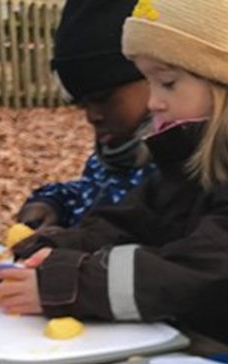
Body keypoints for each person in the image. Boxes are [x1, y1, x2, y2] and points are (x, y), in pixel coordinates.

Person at [0, 0, 228, 360]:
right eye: (150, 82)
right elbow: (133, 219)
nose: (154, 101)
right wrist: (54, 247)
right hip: (179, 347)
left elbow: (193, 275)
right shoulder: (195, 158)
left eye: (167, 83)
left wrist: (71, 283)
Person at [16, 0, 155, 230]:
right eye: (82, 104)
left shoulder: (179, 163)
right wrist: (53, 203)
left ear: (153, 77)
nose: (92, 116)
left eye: (103, 98)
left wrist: (74, 253)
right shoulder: (115, 152)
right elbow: (91, 193)